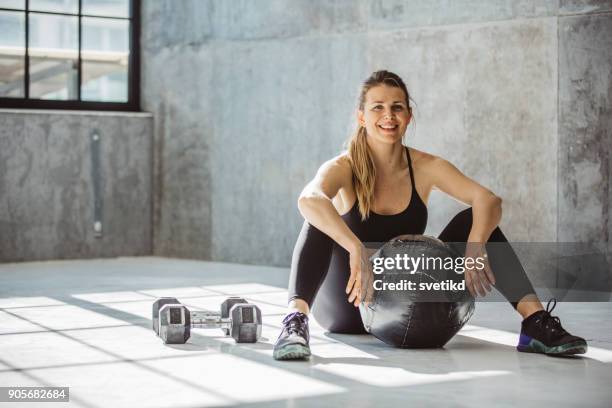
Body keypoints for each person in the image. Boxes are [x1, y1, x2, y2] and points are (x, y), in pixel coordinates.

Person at [273, 70, 587, 360]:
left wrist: (475, 245)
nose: (388, 116)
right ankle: (295, 321)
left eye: (397, 107)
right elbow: (308, 198)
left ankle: (534, 323)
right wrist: (356, 247)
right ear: (361, 117)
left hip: (403, 303)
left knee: (474, 219)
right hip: (349, 304)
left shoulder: (425, 166)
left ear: (409, 116)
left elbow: (488, 200)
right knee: (318, 216)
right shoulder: (344, 166)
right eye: (377, 107)